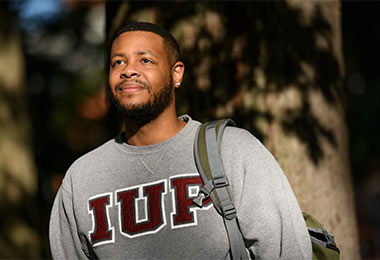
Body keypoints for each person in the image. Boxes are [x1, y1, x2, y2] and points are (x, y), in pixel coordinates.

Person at [49, 22, 312, 259]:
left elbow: (287, 251)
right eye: (118, 62)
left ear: (176, 74)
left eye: (146, 61)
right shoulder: (81, 179)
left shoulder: (232, 150)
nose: (128, 70)